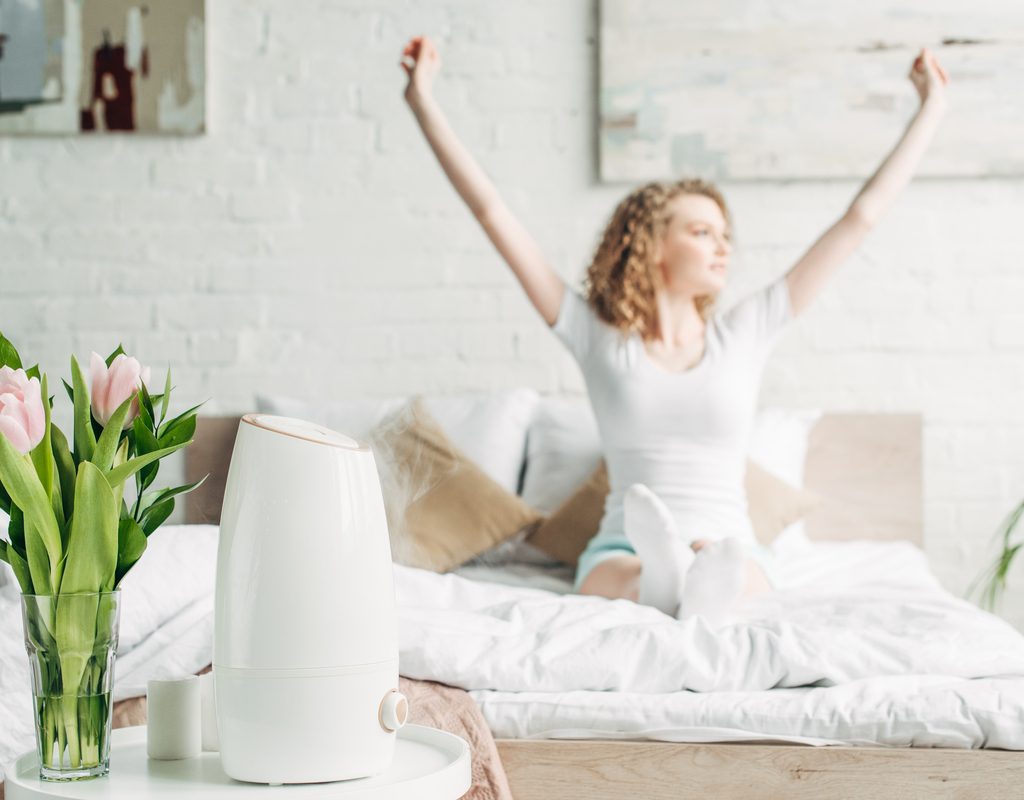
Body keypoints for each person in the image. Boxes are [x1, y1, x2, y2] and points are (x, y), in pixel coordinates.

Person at [401, 35, 949, 621]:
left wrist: (931, 109)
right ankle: (667, 578)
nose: (722, 248)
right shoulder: (597, 337)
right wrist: (422, 101)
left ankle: (688, 579)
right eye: (702, 233)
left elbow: (858, 220)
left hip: (733, 543)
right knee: (620, 578)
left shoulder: (746, 330)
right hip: (622, 548)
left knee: (729, 569)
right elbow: (491, 211)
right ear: (653, 245)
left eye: (725, 237)